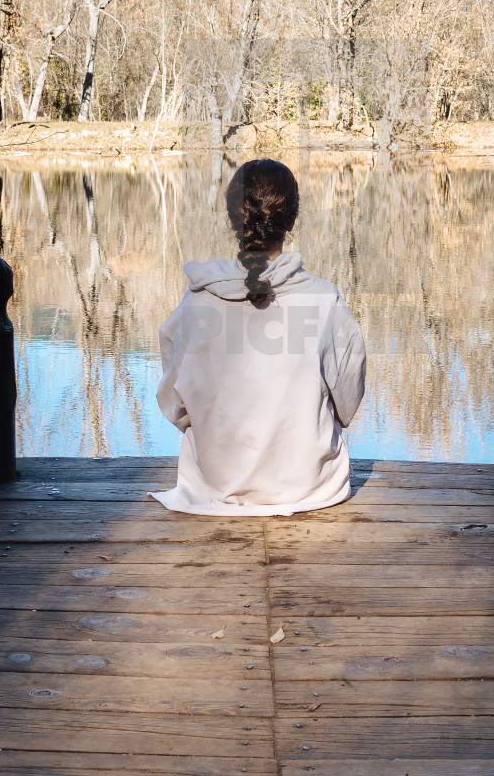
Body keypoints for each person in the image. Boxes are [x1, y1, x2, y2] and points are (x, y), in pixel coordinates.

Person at [150, 158, 366, 516]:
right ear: (292, 219)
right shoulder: (324, 300)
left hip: (214, 487)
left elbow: (175, 405)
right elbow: (347, 403)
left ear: (233, 216)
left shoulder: (196, 303)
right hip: (309, 489)